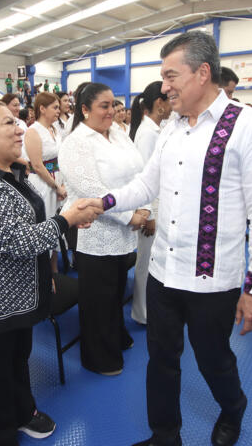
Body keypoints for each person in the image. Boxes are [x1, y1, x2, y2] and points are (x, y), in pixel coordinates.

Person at [85, 31, 252, 446]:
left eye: (172, 75)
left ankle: (233, 408)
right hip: (162, 272)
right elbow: (144, 184)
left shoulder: (250, 127)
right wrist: (102, 202)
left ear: (202, 72)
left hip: (212, 279)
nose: (165, 86)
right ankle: (165, 434)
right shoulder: (172, 127)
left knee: (213, 359)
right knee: (161, 359)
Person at [0, 100, 101, 446]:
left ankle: (22, 411)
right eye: (8, 124)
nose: (19, 129)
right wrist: (66, 220)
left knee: (17, 359)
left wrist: (43, 269)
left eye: (17, 121)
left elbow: (28, 225)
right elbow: (15, 241)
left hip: (17, 296)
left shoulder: (7, 171)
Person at [59, 82, 150, 376]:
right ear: (85, 110)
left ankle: (116, 337)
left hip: (124, 229)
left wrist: (145, 207)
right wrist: (130, 217)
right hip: (94, 230)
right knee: (97, 297)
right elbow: (90, 190)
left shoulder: (119, 134)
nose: (112, 111)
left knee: (114, 291)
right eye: (104, 106)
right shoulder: (77, 142)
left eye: (114, 105)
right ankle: (98, 357)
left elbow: (141, 172)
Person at [128, 80, 171, 325]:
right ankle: (142, 312)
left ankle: (148, 309)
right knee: (145, 264)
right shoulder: (147, 134)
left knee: (153, 262)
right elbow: (145, 177)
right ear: (159, 104)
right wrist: (150, 214)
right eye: (169, 98)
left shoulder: (155, 129)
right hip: (149, 208)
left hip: (158, 204)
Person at [25, 92, 67, 272]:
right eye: (55, 107)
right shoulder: (33, 131)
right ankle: (44, 271)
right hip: (43, 183)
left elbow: (61, 158)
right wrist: (56, 186)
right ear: (42, 108)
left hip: (58, 179)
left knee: (58, 221)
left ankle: (55, 268)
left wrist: (63, 184)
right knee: (45, 222)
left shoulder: (55, 129)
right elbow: (37, 165)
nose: (58, 111)